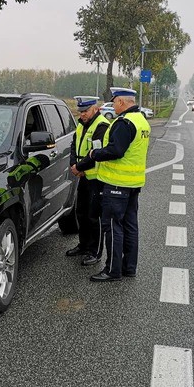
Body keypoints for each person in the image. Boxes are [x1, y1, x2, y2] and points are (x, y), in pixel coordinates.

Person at [71, 88, 151, 282]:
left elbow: (116, 150)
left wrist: (94, 154)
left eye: (114, 102)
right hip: (132, 183)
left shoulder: (124, 122)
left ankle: (113, 270)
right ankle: (128, 267)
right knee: (130, 226)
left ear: (122, 102)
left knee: (113, 227)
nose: (113, 106)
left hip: (117, 183)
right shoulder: (141, 121)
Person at [65, 96, 111, 265]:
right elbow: (74, 145)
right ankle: (83, 245)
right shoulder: (81, 123)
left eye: (85, 111)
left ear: (95, 109)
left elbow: (95, 152)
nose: (82, 114)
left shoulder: (101, 125)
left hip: (96, 178)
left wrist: (79, 167)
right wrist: (73, 164)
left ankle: (95, 252)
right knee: (81, 212)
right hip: (83, 175)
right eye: (81, 111)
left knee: (94, 216)